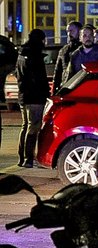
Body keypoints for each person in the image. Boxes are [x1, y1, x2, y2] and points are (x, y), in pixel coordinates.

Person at [15, 29, 49, 168]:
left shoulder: (22, 54)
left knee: (25, 126)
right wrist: (45, 93)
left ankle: (22, 157)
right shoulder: (35, 56)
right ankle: (28, 158)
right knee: (33, 127)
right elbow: (39, 78)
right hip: (35, 97)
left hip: (24, 96)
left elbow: (19, 75)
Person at [53, 21, 82, 92]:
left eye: (72, 31)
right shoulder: (64, 50)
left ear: (79, 31)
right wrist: (55, 88)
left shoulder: (84, 49)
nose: (69, 34)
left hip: (80, 85)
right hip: (66, 86)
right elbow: (58, 71)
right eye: (68, 31)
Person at [0, 33, 17, 110]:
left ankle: (2, 97)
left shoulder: (3, 42)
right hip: (8, 64)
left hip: (5, 65)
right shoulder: (4, 41)